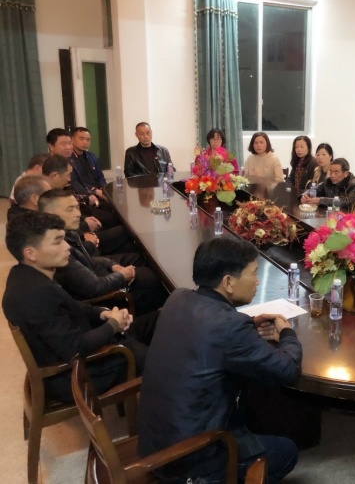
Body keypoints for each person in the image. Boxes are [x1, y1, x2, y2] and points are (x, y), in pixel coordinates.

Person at [137, 236, 302, 483]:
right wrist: (287, 333)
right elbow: (287, 370)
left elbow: (208, 332)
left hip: (155, 441)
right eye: (253, 273)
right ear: (228, 282)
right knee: (286, 451)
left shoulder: (178, 298)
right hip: (189, 458)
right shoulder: (229, 327)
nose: (257, 281)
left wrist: (249, 325)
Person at [2, 211, 153, 403]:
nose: (67, 247)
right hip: (81, 374)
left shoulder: (25, 275)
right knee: (166, 364)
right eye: (57, 242)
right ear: (30, 253)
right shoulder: (36, 295)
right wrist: (113, 325)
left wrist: (104, 314)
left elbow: (74, 306)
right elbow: (75, 348)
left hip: (87, 351)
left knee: (157, 321)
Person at [39, 189, 169, 316]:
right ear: (49, 213)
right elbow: (95, 287)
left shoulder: (69, 233)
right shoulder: (58, 249)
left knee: (147, 264)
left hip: (102, 275)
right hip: (106, 302)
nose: (78, 214)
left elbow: (86, 260)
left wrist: (112, 264)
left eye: (77, 207)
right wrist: (122, 276)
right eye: (70, 209)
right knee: (158, 280)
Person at [69, 126, 107, 199]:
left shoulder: (91, 156)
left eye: (88, 140)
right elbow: (75, 183)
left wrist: (104, 189)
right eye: (81, 139)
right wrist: (95, 191)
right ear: (72, 140)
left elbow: (100, 177)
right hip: (84, 195)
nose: (85, 142)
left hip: (98, 192)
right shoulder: (68, 159)